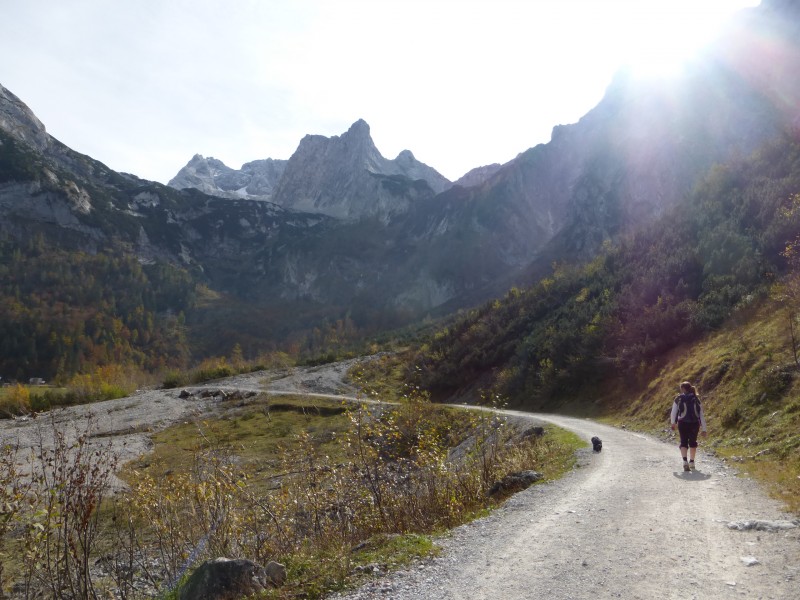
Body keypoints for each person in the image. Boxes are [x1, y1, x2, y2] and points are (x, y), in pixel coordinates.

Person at [670, 381, 707, 471]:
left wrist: (673, 423)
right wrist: (704, 429)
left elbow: (673, 412)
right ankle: (692, 462)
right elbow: (701, 414)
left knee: (683, 442)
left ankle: (685, 461)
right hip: (694, 424)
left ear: (683, 388)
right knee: (693, 443)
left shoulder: (678, 398)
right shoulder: (696, 398)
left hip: (682, 423)